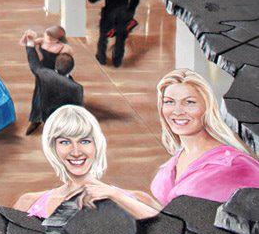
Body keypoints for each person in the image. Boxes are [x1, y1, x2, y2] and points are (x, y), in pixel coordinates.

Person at [13, 104, 156, 220]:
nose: (76, 152)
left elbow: (170, 229)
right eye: (64, 142)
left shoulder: (138, 200)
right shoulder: (28, 202)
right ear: (53, 147)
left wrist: (116, 196)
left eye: (84, 141)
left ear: (96, 145)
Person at [150, 68, 259, 207]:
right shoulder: (173, 162)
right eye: (169, 102)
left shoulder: (234, 163)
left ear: (207, 108)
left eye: (189, 102)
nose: (177, 111)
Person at [71, 0, 143, 67]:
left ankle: (101, 58)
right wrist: (130, 10)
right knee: (121, 38)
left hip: (108, 14)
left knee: (103, 36)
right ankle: (117, 61)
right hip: (124, 13)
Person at [20, 30, 83, 135]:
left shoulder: (65, 48)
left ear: (58, 38)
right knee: (40, 96)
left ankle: (46, 121)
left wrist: (30, 43)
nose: (47, 38)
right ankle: (36, 119)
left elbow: (34, 64)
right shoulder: (77, 88)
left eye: (50, 37)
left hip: (47, 73)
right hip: (49, 72)